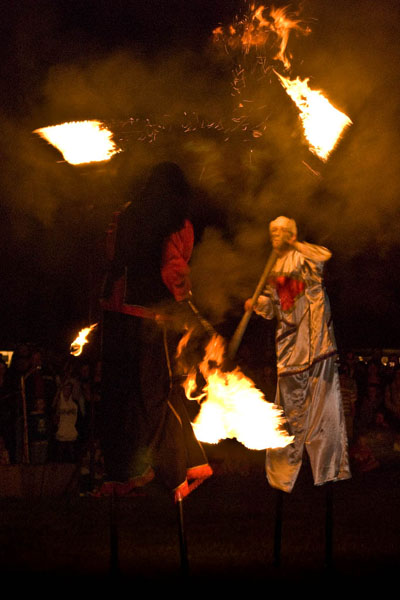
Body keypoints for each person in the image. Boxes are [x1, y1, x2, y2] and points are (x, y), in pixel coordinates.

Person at [97, 161, 212, 500]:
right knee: (156, 395)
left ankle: (128, 472)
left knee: (123, 395)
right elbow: (173, 270)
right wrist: (190, 308)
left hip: (118, 316)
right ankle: (176, 471)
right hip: (152, 317)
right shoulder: (175, 222)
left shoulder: (124, 214)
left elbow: (111, 255)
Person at [244, 216, 350, 493]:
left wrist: (296, 244)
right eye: (273, 231)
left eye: (282, 231)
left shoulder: (305, 257)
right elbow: (277, 308)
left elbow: (323, 255)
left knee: (324, 414)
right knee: (286, 418)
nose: (276, 235)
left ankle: (328, 472)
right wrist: (257, 304)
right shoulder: (274, 269)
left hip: (316, 347)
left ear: (291, 234)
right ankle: (281, 478)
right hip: (289, 353)